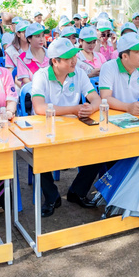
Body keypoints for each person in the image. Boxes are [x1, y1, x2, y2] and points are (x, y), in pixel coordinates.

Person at [32, 38, 102, 217]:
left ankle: (77, 191)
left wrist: (90, 108)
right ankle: (51, 197)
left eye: (74, 56)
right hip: (46, 127)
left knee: (100, 148)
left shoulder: (78, 73)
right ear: (55, 61)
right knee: (39, 155)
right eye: (68, 58)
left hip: (73, 125)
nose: (74, 60)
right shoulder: (41, 76)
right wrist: (74, 109)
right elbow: (39, 107)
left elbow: (96, 98)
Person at [99, 32, 139, 115]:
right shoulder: (108, 67)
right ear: (125, 56)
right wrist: (128, 107)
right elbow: (105, 98)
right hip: (112, 114)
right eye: (137, 52)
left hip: (134, 114)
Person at [15, 22, 49, 87]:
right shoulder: (22, 59)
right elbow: (26, 81)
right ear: (29, 39)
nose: (41, 39)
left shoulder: (50, 54)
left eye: (42, 35)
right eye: (37, 36)